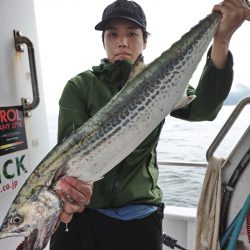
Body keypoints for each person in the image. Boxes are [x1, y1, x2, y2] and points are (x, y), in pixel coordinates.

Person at [50, 0, 250, 249]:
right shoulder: (80, 86)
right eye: (113, 34)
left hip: (140, 213)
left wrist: (221, 40)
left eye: (132, 34)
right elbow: (71, 156)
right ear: (103, 40)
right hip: (84, 213)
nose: (122, 42)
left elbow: (204, 109)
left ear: (145, 41)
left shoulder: (162, 82)